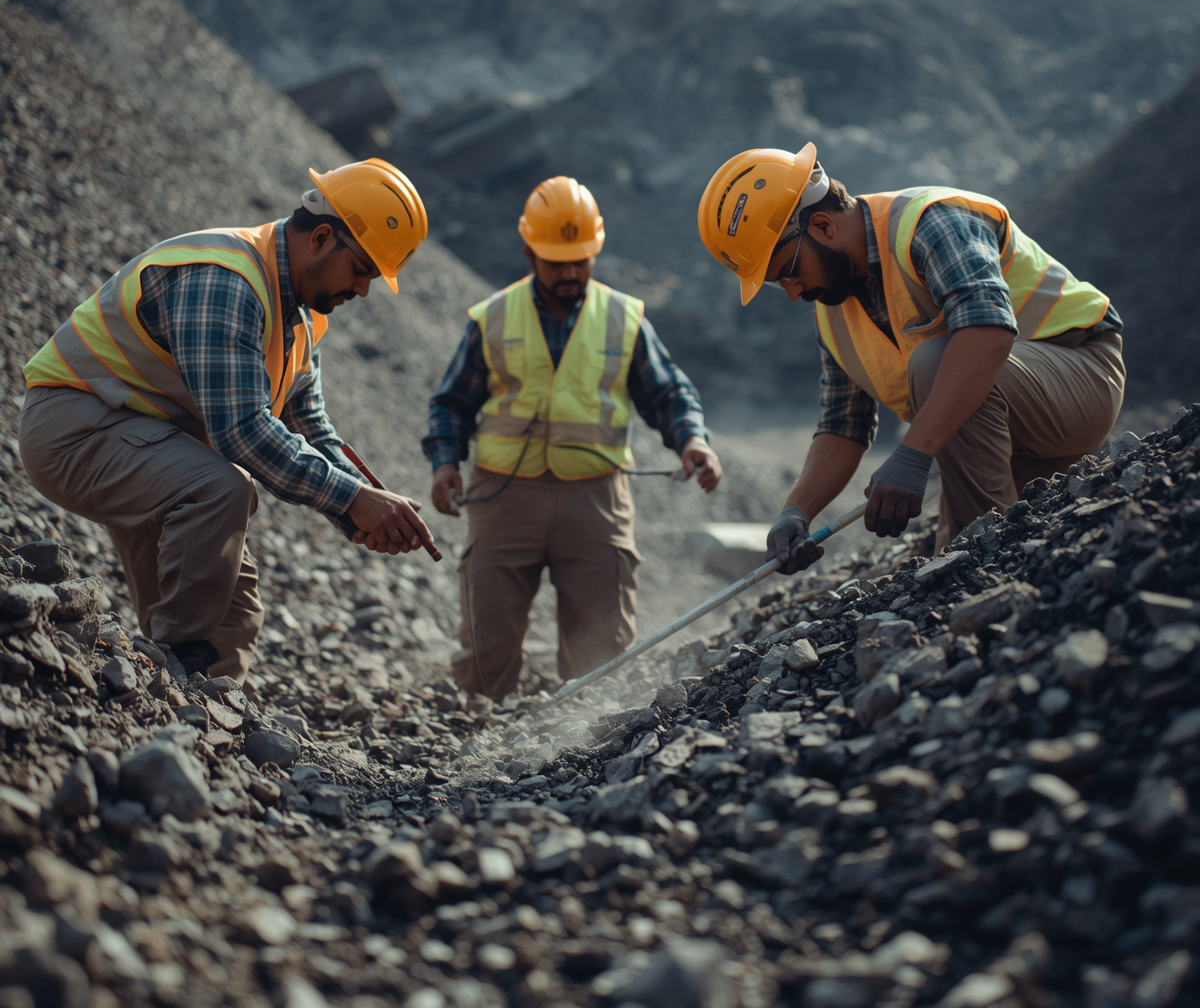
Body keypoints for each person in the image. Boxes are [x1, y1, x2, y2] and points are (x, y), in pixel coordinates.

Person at [19, 159, 436, 683]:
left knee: (232, 605)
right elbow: (242, 432)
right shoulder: (225, 281)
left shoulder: (301, 318)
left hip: (149, 443)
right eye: (362, 270)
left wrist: (364, 507)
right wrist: (354, 500)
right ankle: (164, 676)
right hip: (73, 431)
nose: (365, 289)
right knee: (221, 491)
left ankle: (204, 719)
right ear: (323, 237)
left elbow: (310, 426)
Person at [696, 142, 1124, 570]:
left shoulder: (930, 223)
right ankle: (984, 560)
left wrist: (913, 453)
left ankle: (992, 567)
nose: (792, 293)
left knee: (935, 367)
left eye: (787, 271)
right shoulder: (833, 311)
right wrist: (797, 511)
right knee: (954, 561)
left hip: (1081, 377)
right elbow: (843, 426)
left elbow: (987, 332)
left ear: (823, 225)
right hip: (1014, 441)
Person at [425, 175, 722, 699]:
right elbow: (453, 402)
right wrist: (446, 462)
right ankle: (476, 726)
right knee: (486, 637)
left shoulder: (623, 318)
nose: (569, 272)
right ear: (528, 252)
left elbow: (668, 395)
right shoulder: (491, 317)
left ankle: (584, 743)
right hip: (502, 496)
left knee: (602, 646)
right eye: (556, 261)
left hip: (596, 497)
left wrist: (691, 440)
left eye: (580, 260)